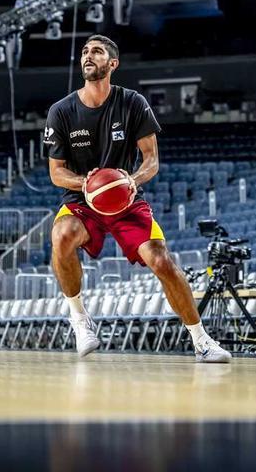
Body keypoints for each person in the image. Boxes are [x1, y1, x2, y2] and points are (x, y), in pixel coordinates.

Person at [44, 34, 231, 363]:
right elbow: (57, 172)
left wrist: (133, 179)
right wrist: (85, 182)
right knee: (61, 235)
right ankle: (80, 319)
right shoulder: (61, 111)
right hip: (81, 200)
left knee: (162, 261)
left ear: (112, 63)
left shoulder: (132, 102)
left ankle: (201, 340)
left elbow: (151, 160)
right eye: (85, 51)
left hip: (124, 199)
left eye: (97, 52)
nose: (88, 56)